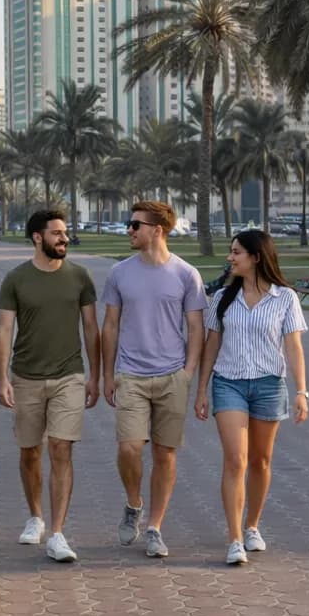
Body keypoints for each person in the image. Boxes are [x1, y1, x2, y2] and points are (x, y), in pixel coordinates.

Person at [194, 230, 309, 564]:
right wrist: (201, 389)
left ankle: (252, 526)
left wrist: (301, 391)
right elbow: (211, 344)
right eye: (231, 252)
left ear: (256, 257)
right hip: (228, 383)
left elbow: (293, 346)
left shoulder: (284, 298)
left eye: (236, 253)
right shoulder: (222, 299)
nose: (230, 258)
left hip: (269, 386)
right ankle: (233, 539)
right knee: (236, 459)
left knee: (260, 461)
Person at [102, 200, 206, 558]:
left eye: (135, 225)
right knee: (129, 447)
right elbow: (110, 325)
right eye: (129, 224)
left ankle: (155, 527)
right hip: (130, 374)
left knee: (165, 454)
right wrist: (107, 374)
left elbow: (196, 328)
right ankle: (134, 504)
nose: (129, 230)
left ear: (157, 230)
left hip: (171, 376)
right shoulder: (119, 273)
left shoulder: (186, 275)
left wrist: (188, 372)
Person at [0, 209, 100, 562]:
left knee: (60, 449)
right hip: (25, 377)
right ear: (37, 237)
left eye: (65, 232)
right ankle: (35, 517)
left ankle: (57, 532)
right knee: (30, 452)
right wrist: (1, 378)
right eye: (56, 233)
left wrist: (95, 376)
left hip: (69, 375)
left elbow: (91, 329)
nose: (64, 238)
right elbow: (4, 331)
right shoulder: (15, 279)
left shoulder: (80, 277)